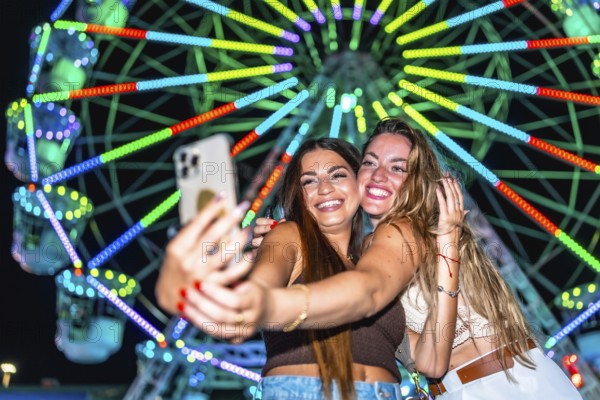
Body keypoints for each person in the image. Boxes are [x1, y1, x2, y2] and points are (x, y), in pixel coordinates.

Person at [185, 118, 582, 399]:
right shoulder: (359, 252)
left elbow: (370, 293)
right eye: (369, 164)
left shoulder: (408, 231)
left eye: (398, 168)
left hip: (518, 383)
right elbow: (427, 360)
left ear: (416, 179)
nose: (378, 176)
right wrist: (273, 245)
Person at [164, 137, 417, 400]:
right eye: (309, 181)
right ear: (299, 195)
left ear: (360, 182)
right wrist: (239, 303)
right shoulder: (288, 235)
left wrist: (448, 246)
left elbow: (429, 360)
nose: (324, 188)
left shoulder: (377, 258)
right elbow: (260, 287)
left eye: (338, 175)